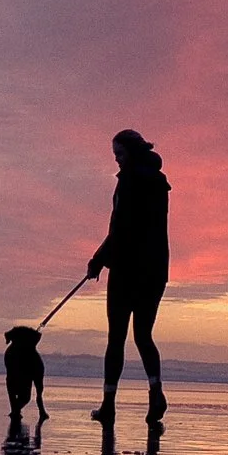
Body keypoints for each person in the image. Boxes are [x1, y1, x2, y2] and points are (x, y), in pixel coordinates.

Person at [86, 129, 169, 426]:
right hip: (156, 270)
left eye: (119, 154)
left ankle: (109, 404)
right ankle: (156, 394)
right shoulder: (158, 182)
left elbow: (122, 229)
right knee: (143, 335)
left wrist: (98, 259)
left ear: (131, 153)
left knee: (117, 338)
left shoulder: (132, 181)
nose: (117, 161)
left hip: (127, 270)